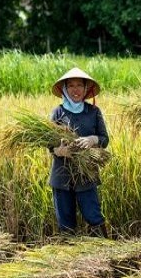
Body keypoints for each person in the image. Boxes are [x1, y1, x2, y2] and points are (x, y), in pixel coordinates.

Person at [49, 67, 109, 237]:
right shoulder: (57, 113)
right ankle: (69, 259)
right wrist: (59, 151)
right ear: (65, 90)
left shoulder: (93, 112)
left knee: (93, 216)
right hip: (62, 176)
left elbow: (104, 139)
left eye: (79, 86)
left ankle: (105, 253)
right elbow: (48, 143)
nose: (76, 90)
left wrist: (93, 139)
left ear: (86, 89)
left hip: (86, 173)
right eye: (71, 86)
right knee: (66, 223)